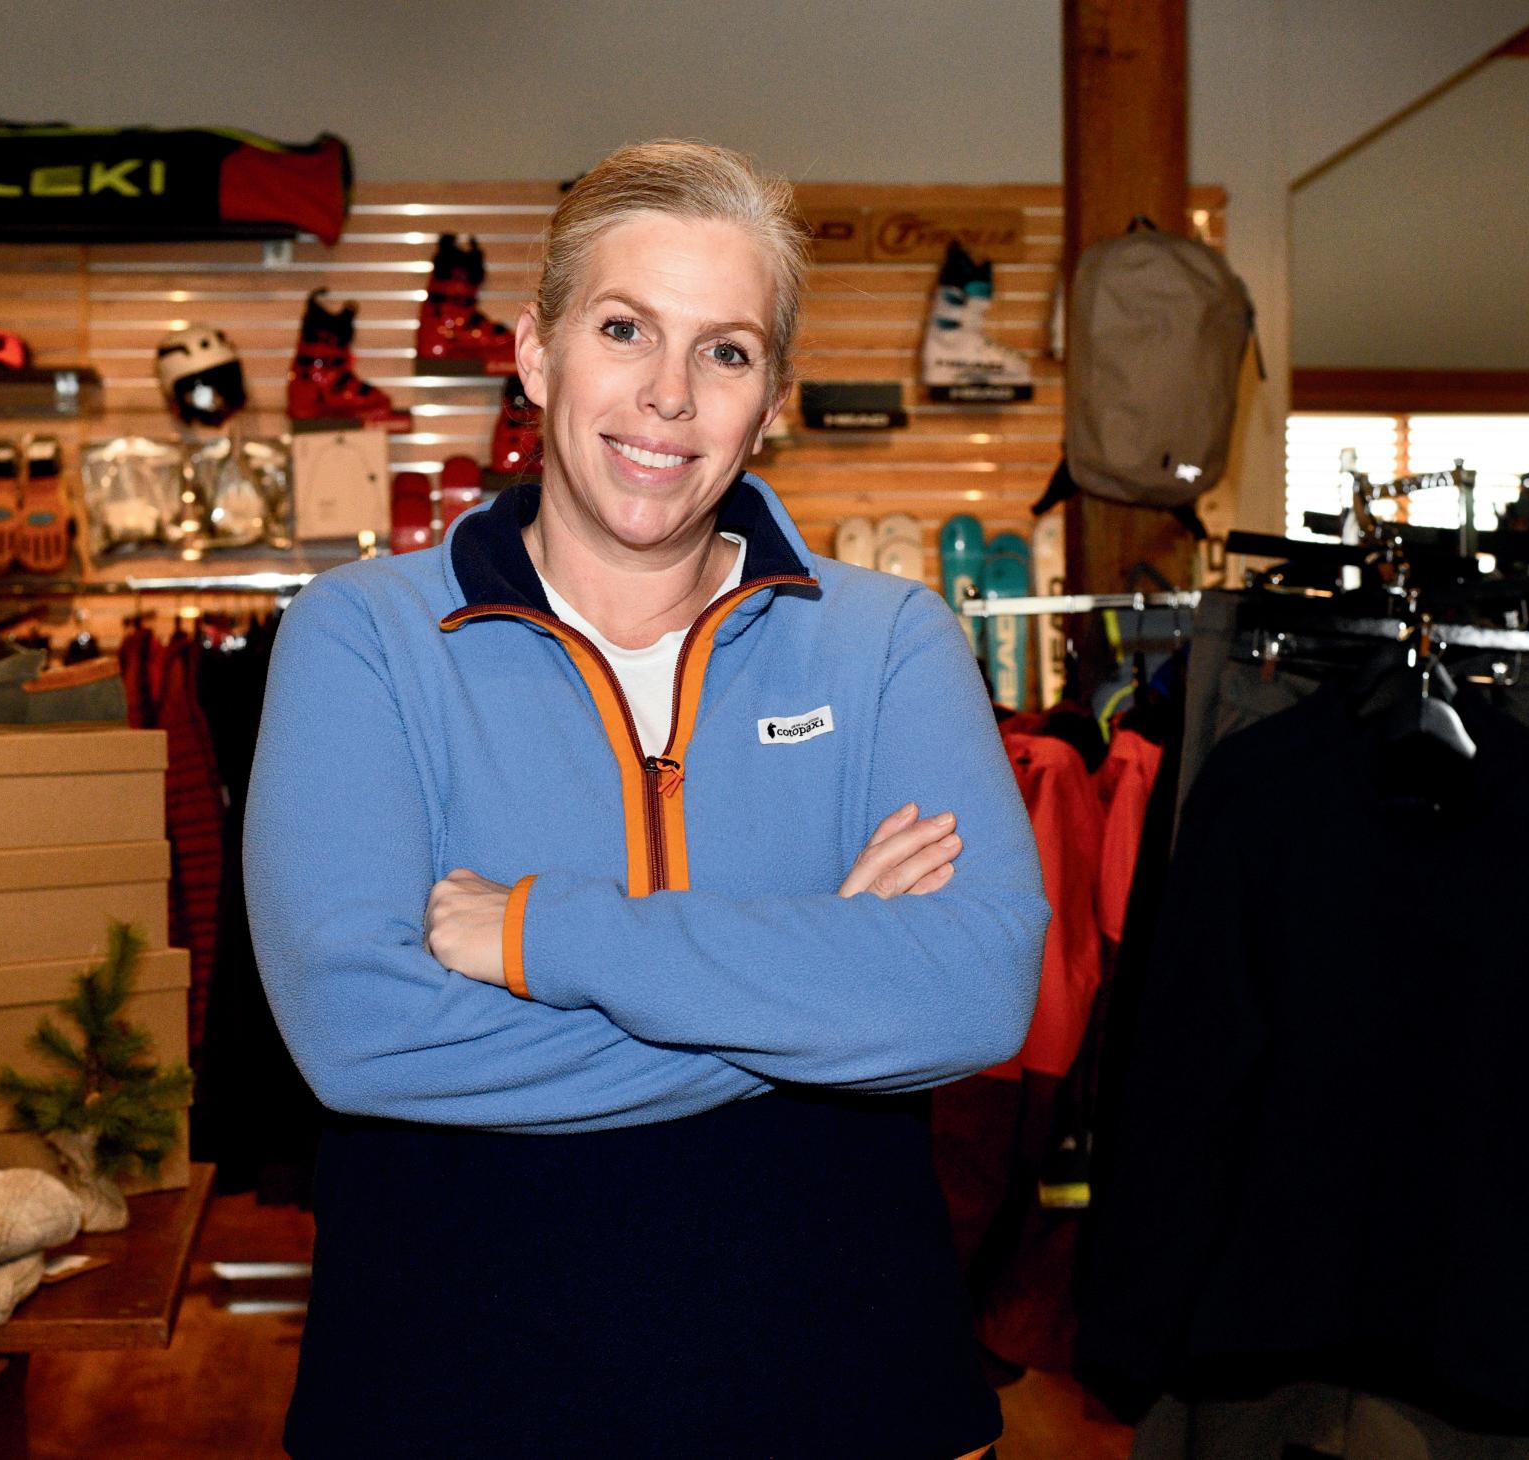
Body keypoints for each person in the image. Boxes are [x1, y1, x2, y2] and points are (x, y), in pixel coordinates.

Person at [246, 139, 1050, 1458]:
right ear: (536, 352)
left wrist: (542, 936)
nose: (668, 395)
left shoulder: (888, 641)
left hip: (849, 1389)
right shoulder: (363, 636)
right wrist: (826, 978)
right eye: (624, 329)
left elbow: (971, 993)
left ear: (769, 399)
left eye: (725, 351)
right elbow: (359, 1032)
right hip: (454, 1394)